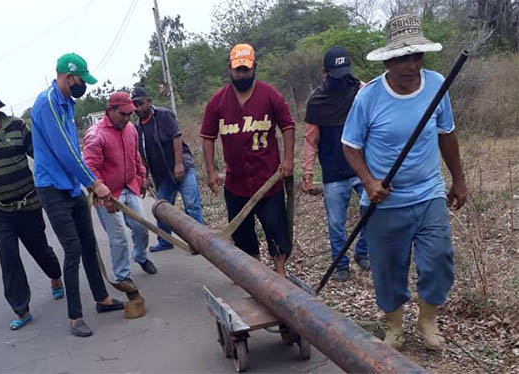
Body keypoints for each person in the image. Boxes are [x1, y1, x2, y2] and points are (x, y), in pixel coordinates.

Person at [341, 14, 467, 351]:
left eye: (417, 56)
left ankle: (428, 319)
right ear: (388, 60)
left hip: (428, 194)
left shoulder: (438, 85)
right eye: (403, 58)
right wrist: (368, 181)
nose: (412, 65)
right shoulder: (368, 98)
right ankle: (394, 325)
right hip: (385, 200)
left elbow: (447, 135)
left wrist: (458, 180)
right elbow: (350, 146)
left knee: (438, 259)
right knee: (387, 267)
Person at [30, 53, 123, 338]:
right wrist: (95, 183)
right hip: (52, 188)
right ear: (69, 76)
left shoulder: (67, 104)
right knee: (73, 250)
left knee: (88, 243)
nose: (84, 86)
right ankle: (75, 316)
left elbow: (75, 149)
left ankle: (102, 298)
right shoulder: (47, 103)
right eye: (82, 80)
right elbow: (64, 152)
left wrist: (85, 185)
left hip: (70, 185)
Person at [0, 86, 63, 331]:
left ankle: (55, 276)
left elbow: (39, 156)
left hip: (28, 203)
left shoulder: (17, 126)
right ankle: (22, 309)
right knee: (8, 257)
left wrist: (58, 185)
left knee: (40, 249)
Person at [200, 43, 295, 276]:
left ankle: (280, 272)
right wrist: (211, 171)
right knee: (242, 235)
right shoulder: (218, 101)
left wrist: (289, 160)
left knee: (277, 230)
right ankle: (254, 273)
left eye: (246, 69)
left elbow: (288, 126)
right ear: (230, 69)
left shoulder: (270, 95)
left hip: (268, 182)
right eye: (237, 69)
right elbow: (208, 137)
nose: (241, 74)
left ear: (254, 67)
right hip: (236, 183)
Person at [301, 47, 370, 282]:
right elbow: (311, 139)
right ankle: (341, 264)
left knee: (372, 211)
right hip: (333, 172)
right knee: (336, 223)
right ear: (325, 73)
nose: (342, 79)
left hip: (363, 168)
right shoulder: (317, 102)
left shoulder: (360, 91)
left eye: (345, 73)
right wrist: (307, 172)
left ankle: (363, 252)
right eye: (337, 74)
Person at [83, 92, 157, 286]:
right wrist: (102, 195)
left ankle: (140, 257)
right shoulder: (96, 135)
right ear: (110, 111)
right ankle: (123, 276)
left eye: (129, 114)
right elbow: (89, 168)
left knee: (141, 228)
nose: (126, 118)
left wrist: (141, 178)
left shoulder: (130, 129)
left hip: (129, 186)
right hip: (108, 195)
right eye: (122, 114)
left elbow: (135, 156)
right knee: (119, 238)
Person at [131, 87, 204, 252]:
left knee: (192, 205)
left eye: (141, 104)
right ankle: (165, 241)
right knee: (162, 208)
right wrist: (145, 175)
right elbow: (141, 153)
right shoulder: (137, 128)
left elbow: (176, 137)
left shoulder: (164, 115)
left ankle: (200, 241)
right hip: (163, 175)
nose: (138, 108)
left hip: (182, 168)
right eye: (135, 105)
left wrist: (178, 164)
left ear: (149, 101)